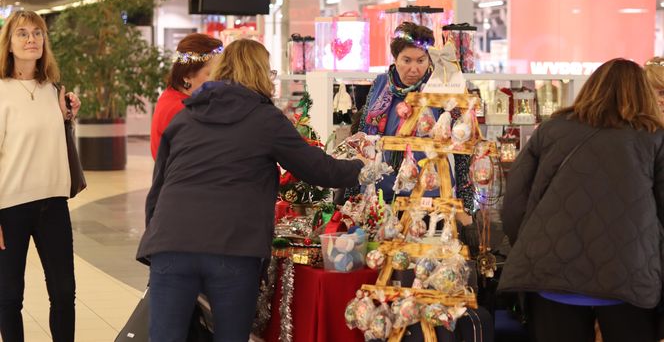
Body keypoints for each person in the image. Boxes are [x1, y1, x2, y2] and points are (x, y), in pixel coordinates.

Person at [136, 39, 364, 341]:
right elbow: (318, 168)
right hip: (233, 247)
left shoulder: (185, 117)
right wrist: (365, 167)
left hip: (172, 243)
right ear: (259, 73)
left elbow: (159, 188)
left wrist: (156, 237)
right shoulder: (265, 120)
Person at [498, 58, 664, 342]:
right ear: (643, 93)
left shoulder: (551, 130)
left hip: (551, 273)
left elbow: (514, 204)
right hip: (629, 281)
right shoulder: (654, 139)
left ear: (591, 88)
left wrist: (530, 243)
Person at [0, 10, 81, 342]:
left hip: (53, 204)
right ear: (9, 43)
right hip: (9, 206)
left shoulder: (53, 90)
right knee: (8, 298)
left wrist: (67, 118)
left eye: (37, 33)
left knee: (64, 294)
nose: (31, 39)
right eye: (22, 33)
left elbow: (54, 143)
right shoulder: (1, 90)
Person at [358, 21, 474, 224]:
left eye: (421, 60)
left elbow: (462, 144)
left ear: (429, 59)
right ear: (395, 59)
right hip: (381, 193)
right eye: (407, 60)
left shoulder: (441, 87)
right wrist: (354, 187)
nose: (414, 69)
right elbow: (362, 137)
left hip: (430, 192)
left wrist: (465, 198)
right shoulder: (380, 84)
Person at [150, 33, 223, 159]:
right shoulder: (182, 110)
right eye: (211, 74)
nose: (219, 80)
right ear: (188, 76)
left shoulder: (171, 97)